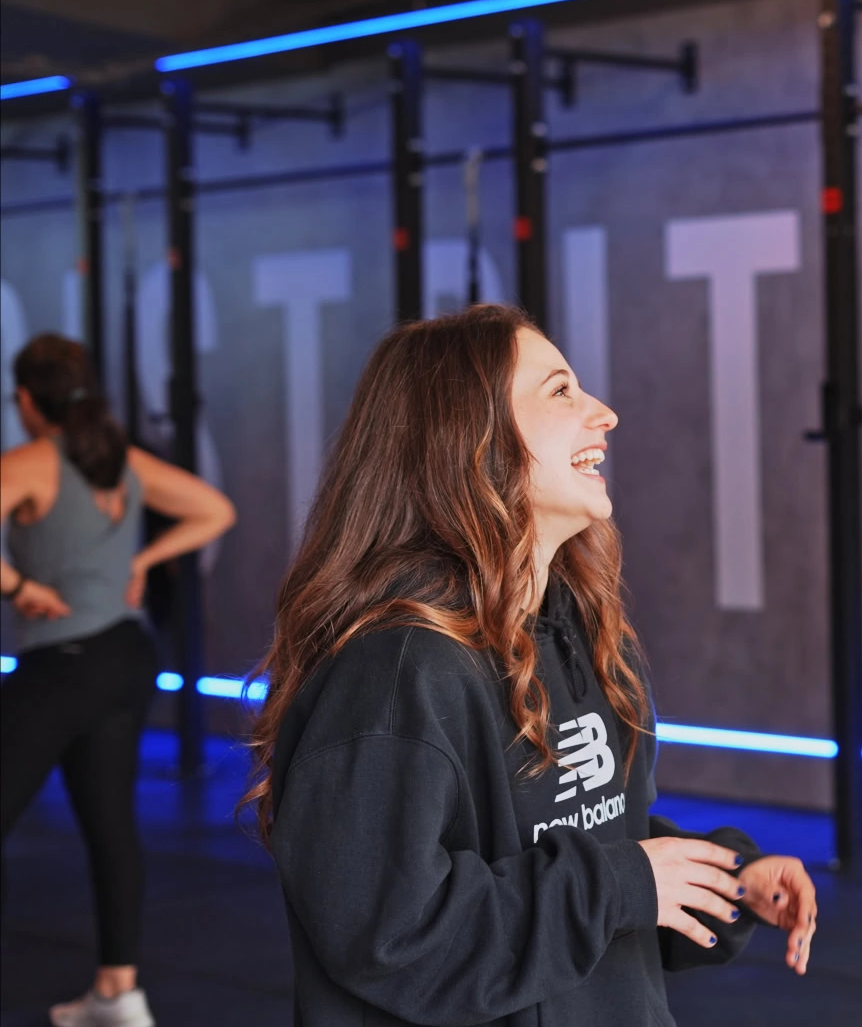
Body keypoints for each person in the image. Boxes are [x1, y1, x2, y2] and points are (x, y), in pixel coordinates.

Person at [243, 304, 817, 1027]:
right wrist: (623, 885)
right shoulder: (394, 670)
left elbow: (573, 838)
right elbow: (389, 934)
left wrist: (718, 878)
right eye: (560, 392)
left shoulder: (583, 630)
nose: (603, 414)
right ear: (469, 438)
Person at [1, 333, 236, 1027]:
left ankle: (117, 996)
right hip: (126, 661)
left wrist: (17, 585)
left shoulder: (31, 461)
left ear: (24, 400)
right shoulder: (119, 459)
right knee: (110, 824)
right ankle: (118, 994)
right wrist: (145, 558)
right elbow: (215, 509)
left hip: (67, 664)